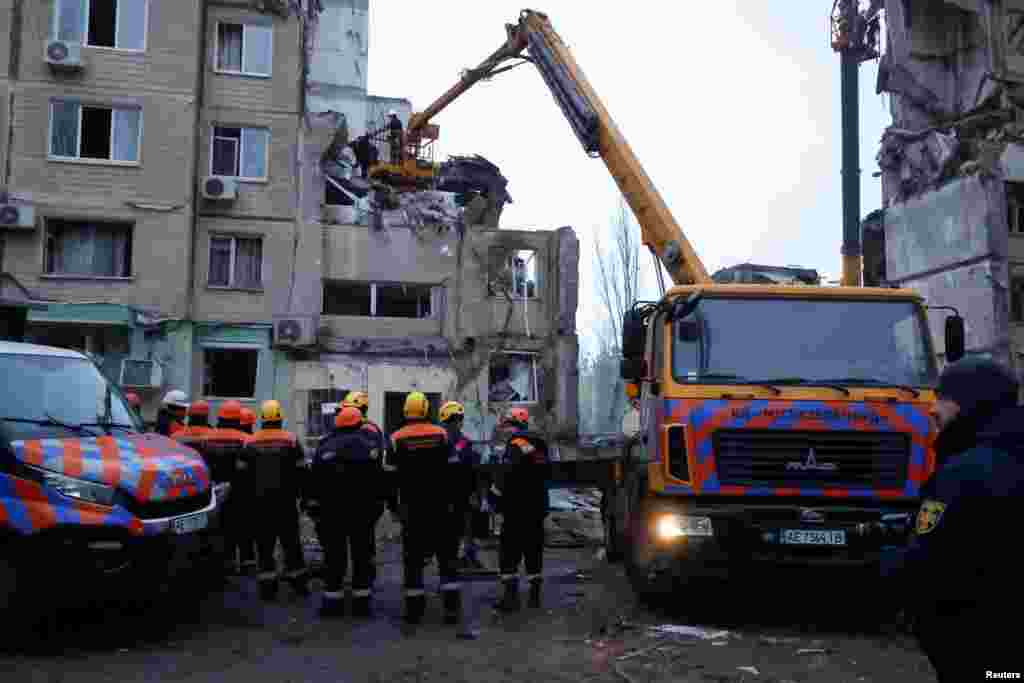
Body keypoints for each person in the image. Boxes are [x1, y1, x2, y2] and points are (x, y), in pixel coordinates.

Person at [880, 357, 1024, 682]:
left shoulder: (962, 474)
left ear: (966, 404)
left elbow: (931, 562)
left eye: (941, 398)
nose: (932, 410)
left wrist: (887, 563)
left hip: (983, 641)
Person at [390, 391, 462, 625]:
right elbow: (454, 471)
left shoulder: (396, 438)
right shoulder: (441, 434)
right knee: (447, 559)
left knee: (413, 561)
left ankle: (414, 611)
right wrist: (453, 502)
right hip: (441, 507)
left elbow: (389, 478)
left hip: (412, 509)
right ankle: (451, 610)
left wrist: (394, 507)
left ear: (406, 410)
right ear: (426, 410)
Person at [309, 405, 385, 617]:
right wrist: (378, 507)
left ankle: (332, 604)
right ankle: (362, 605)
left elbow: (314, 480)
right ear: (359, 423)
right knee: (362, 556)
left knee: (334, 558)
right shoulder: (369, 446)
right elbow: (378, 480)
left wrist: (313, 508)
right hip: (362, 512)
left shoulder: (324, 445)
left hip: (332, 513)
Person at [244, 399, 310, 600]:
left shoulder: (250, 442)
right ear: (280, 419)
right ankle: (298, 585)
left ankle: (267, 588)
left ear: (262, 420)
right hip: (285, 503)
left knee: (264, 546)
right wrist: (304, 498)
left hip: (260, 504)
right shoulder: (291, 440)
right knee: (291, 545)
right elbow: (302, 473)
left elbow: (243, 476)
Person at [493, 407, 551, 611]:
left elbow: (507, 476)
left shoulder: (515, 444)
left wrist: (494, 498)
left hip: (516, 509)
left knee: (509, 553)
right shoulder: (541, 444)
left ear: (513, 425)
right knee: (534, 552)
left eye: (506, 426)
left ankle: (510, 599)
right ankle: (535, 598)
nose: (505, 430)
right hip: (537, 506)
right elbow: (545, 473)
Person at [205, 400, 252, 575]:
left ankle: (225, 564)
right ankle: (247, 566)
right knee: (244, 529)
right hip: (240, 492)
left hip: (214, 492)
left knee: (220, 529)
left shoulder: (207, 437)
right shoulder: (246, 439)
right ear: (238, 418)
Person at [439, 401, 485, 570]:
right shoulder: (462, 443)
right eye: (458, 419)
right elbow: (475, 467)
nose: (459, 423)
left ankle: (460, 556)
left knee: (459, 526)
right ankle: (464, 555)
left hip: (454, 492)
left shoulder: (442, 441)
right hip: (460, 491)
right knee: (463, 526)